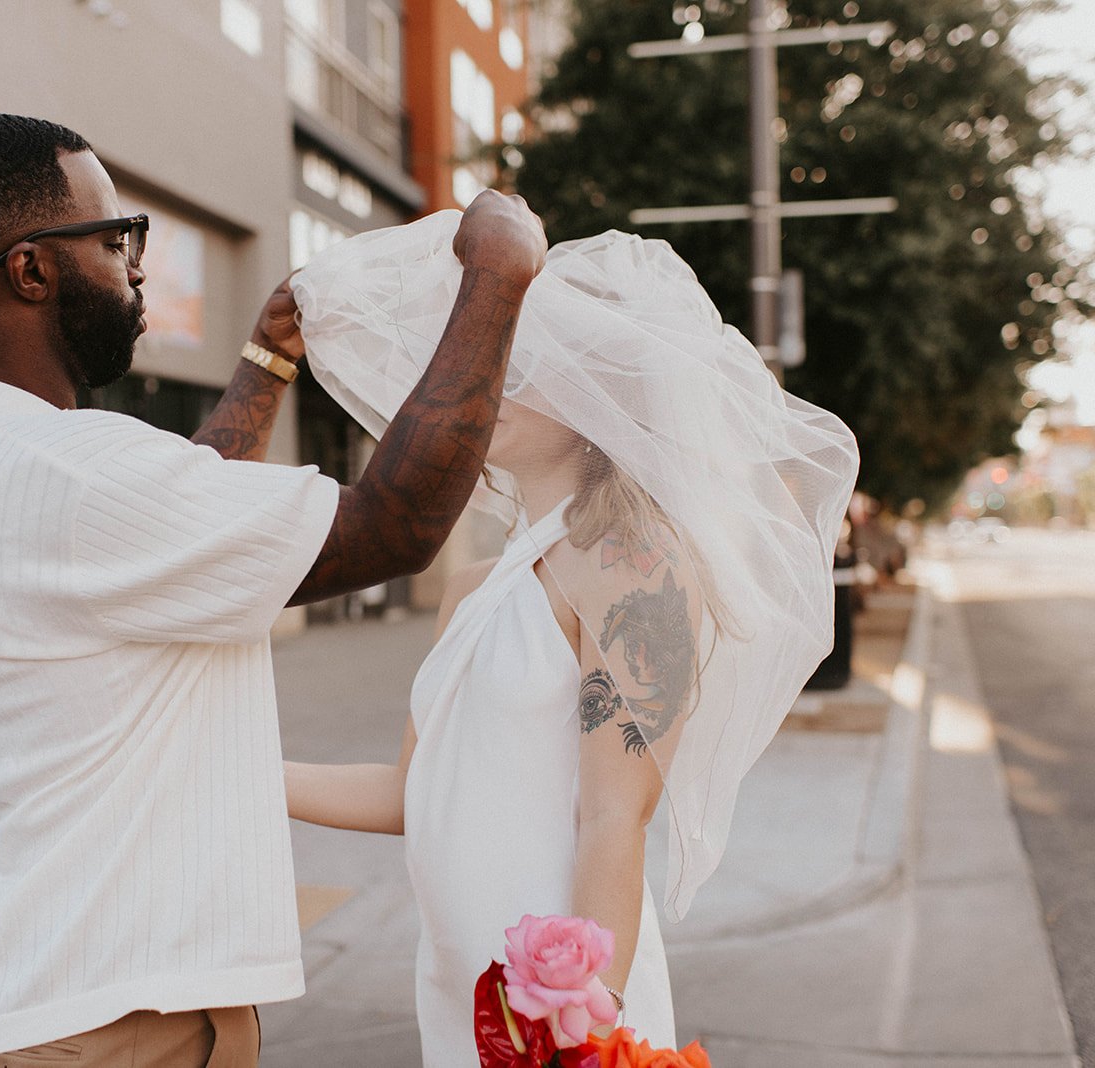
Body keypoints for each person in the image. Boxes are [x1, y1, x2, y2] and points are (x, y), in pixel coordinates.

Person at [0, 113, 546, 1067]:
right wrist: (498, 274)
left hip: (94, 998)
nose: (137, 266)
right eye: (117, 239)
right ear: (30, 270)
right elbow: (395, 525)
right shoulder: (73, 474)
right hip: (122, 1022)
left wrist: (267, 362)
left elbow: (180, 525)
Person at [280, 214, 859, 1065]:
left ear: (602, 392)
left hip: (559, 1011)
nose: (493, 381)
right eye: (492, 359)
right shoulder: (475, 584)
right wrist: (246, 770)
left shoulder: (637, 567)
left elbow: (615, 817)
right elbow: (414, 793)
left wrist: (587, 1029)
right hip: (463, 988)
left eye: (527, 365)